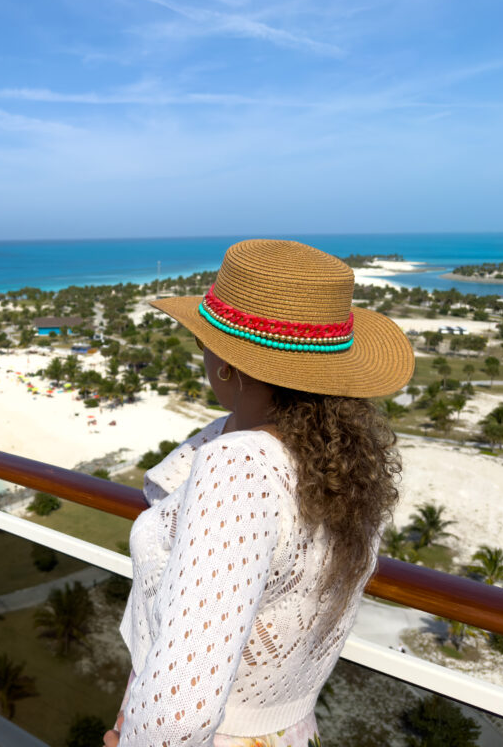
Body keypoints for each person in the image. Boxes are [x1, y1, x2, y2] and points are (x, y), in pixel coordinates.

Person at [105, 240, 414, 746]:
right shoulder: (340, 462)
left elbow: (178, 713)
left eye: (205, 341)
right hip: (290, 729)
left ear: (228, 362)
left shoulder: (241, 467)